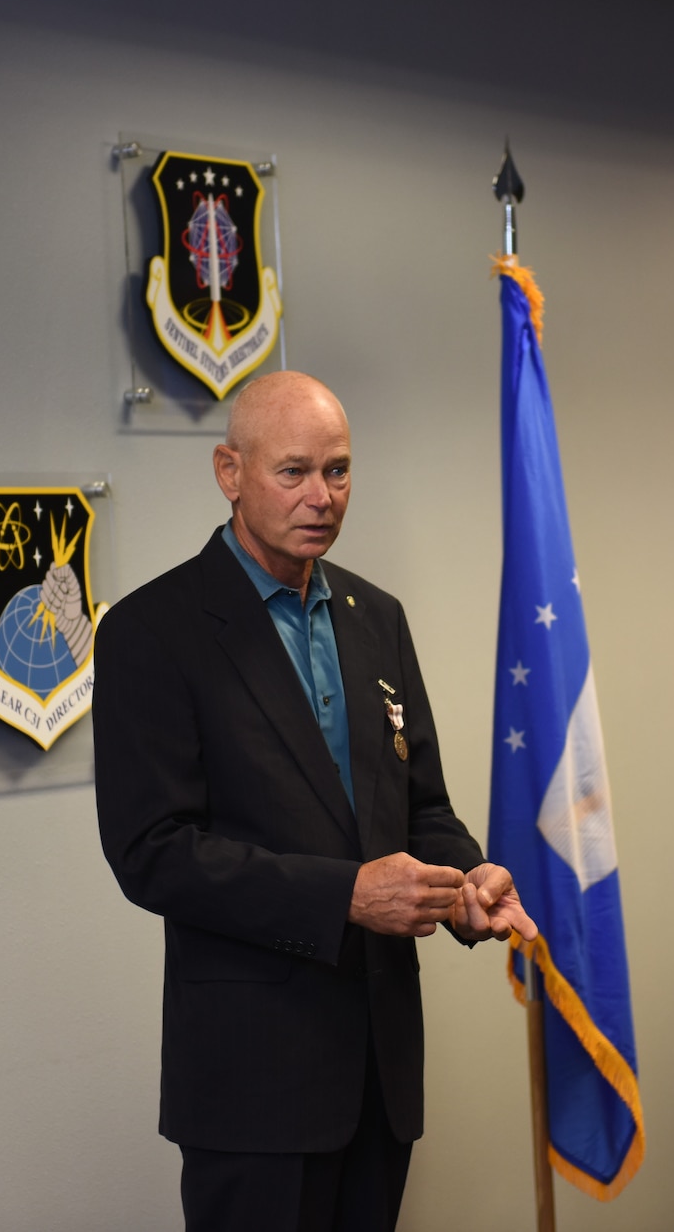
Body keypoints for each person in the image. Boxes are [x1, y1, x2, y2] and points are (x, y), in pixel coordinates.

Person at [94, 370, 538, 1232]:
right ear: (230, 471)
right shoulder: (154, 631)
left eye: (338, 471)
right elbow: (153, 850)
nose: (322, 497)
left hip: (380, 1065)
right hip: (253, 1081)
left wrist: (468, 878)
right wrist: (346, 896)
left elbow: (421, 806)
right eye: (292, 471)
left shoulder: (378, 616)